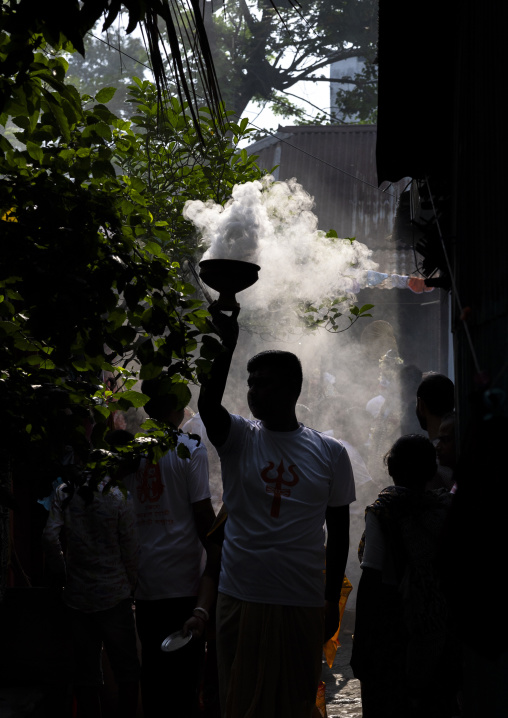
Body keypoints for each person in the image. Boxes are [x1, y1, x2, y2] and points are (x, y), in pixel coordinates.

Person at [194, 303, 355, 718]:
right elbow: (209, 405)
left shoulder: (330, 453)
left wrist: (328, 607)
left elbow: (338, 537)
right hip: (240, 597)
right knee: (239, 703)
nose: (252, 392)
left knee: (295, 705)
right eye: (250, 384)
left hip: (300, 601)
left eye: (263, 384)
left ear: (292, 390)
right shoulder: (240, 439)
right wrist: (226, 345)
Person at [123, 378, 215, 718]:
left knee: (155, 674)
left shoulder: (130, 452)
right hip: (184, 582)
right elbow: (202, 513)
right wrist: (218, 560)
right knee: (185, 679)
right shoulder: (190, 447)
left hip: (145, 582)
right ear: (177, 408)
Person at [351, 434, 453, 718]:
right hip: (436, 623)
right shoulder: (443, 508)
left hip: (392, 625)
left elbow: (371, 580)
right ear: (431, 472)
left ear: (391, 468)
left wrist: (361, 645)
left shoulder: (384, 511)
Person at [42, 437, 140, 718]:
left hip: (77, 597)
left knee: (86, 674)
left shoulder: (65, 492)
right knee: (127, 671)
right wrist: (129, 584)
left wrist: (62, 573)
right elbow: (131, 550)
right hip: (115, 596)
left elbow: (50, 536)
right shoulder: (119, 496)